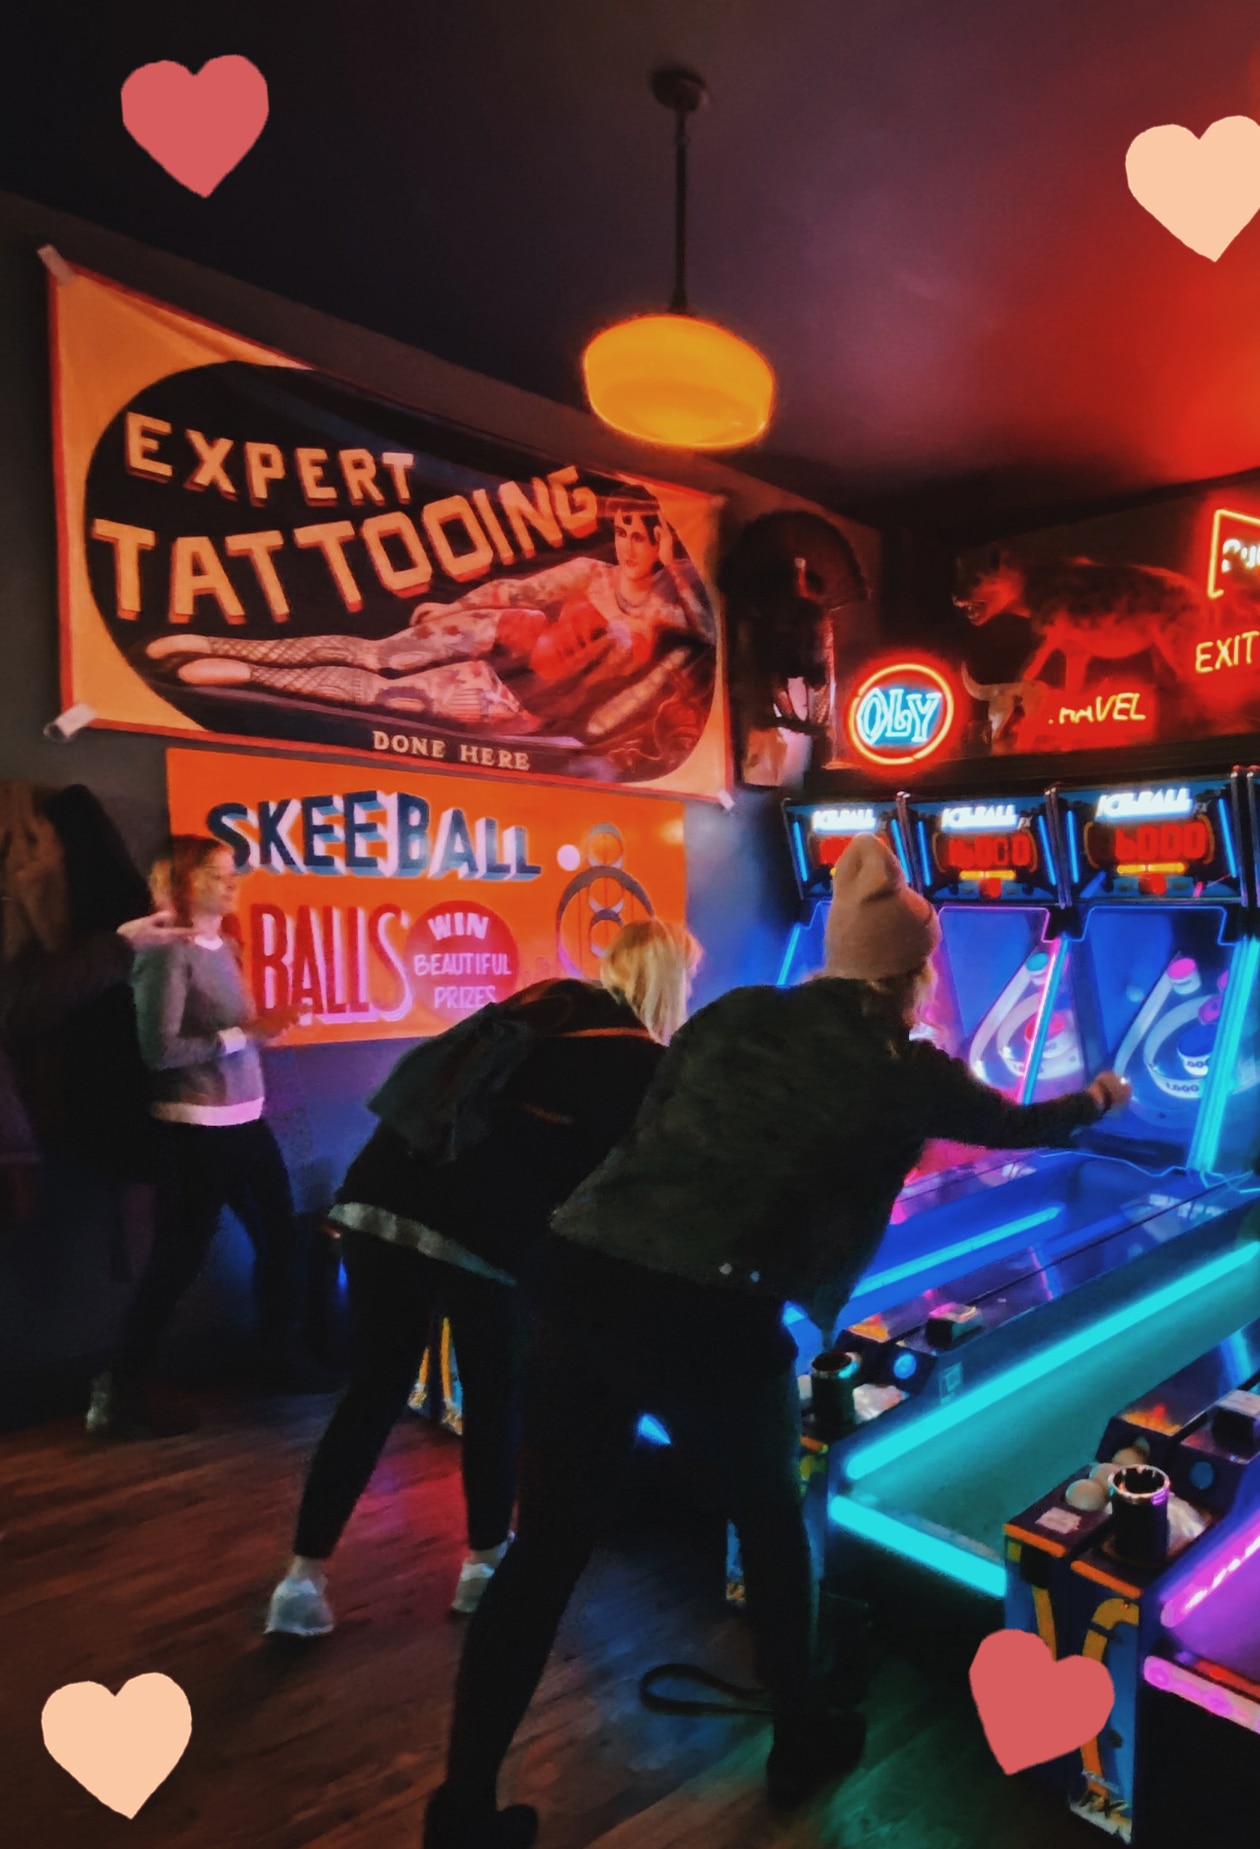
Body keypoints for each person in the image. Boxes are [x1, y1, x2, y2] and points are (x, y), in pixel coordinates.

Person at [423, 836, 1134, 1849]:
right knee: (771, 1516)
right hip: (712, 1306)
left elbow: (656, 1124)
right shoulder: (905, 1067)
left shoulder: (737, 1011)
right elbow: (1021, 1125)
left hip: (581, 1274)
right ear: (913, 974)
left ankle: (459, 1810)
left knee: (542, 1556)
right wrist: (1102, 1098)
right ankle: (799, 1736)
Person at [265, 918, 699, 1638]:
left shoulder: (546, 1003)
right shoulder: (635, 1058)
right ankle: (483, 1565)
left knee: (370, 1394)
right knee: (495, 1396)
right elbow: (624, 1191)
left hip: (378, 1196)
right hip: (480, 1233)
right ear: (672, 980)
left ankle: (301, 1582)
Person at [142, 489, 715, 740]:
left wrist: (672, 562)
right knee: (374, 653)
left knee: (376, 692)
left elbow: (707, 630)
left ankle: (254, 674)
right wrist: (458, 607)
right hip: (508, 637)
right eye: (624, 531)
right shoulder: (593, 574)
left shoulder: (666, 612)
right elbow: (517, 590)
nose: (630, 545)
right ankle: (219, 642)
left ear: (663, 543)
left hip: (516, 696)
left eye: (644, 537)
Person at [86, 836, 321, 1440]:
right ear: (184, 883)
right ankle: (118, 1396)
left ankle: (276, 1357)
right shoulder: (168, 954)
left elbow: (236, 1034)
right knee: (176, 1263)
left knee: (281, 1240)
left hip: (246, 1119)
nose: (232, 879)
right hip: (194, 1129)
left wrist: (261, 1031)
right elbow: (158, 1052)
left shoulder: (229, 946)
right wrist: (247, 1034)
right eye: (217, 873)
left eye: (232, 869)